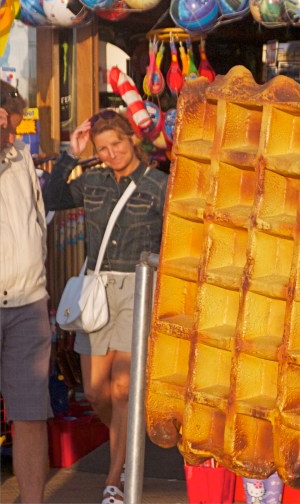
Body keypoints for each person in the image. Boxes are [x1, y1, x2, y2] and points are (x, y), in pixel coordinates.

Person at [43, 110, 167, 504]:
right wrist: (71, 153)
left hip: (138, 287)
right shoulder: (92, 181)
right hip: (96, 291)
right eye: (103, 148)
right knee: (96, 391)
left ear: (133, 139)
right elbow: (51, 196)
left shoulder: (159, 185)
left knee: (124, 388)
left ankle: (115, 479)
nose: (111, 153)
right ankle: (128, 444)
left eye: (117, 143)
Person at [0, 80, 51, 503]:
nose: (15, 136)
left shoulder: (20, 157)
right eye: (10, 125)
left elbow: (37, 219)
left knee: (31, 414)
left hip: (28, 303)